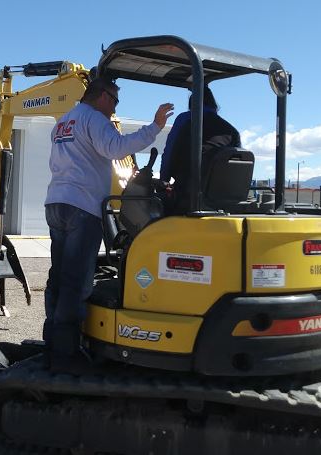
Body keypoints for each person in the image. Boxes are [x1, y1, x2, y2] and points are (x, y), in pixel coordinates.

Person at [43, 77, 173, 372]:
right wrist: (154, 127)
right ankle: (66, 354)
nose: (114, 107)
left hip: (56, 203)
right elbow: (117, 147)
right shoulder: (95, 119)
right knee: (76, 281)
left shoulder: (64, 122)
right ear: (102, 96)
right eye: (115, 100)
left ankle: (51, 343)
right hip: (83, 207)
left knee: (59, 276)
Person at [159, 86, 240, 214]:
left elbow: (169, 154)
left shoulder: (185, 120)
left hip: (189, 198)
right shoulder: (232, 131)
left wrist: (163, 179)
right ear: (213, 104)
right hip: (223, 202)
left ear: (192, 105)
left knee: (153, 205)